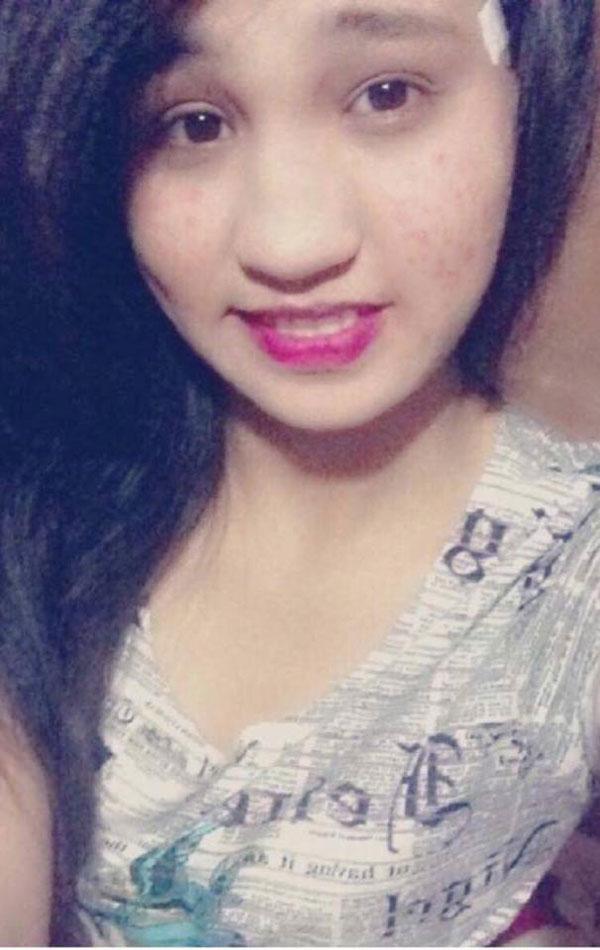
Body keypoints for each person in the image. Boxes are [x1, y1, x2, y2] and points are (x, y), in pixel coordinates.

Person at [0, 0, 598, 944]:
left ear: (527, 87)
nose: (293, 243)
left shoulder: (572, 568)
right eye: (194, 124)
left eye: (387, 94)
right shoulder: (43, 491)